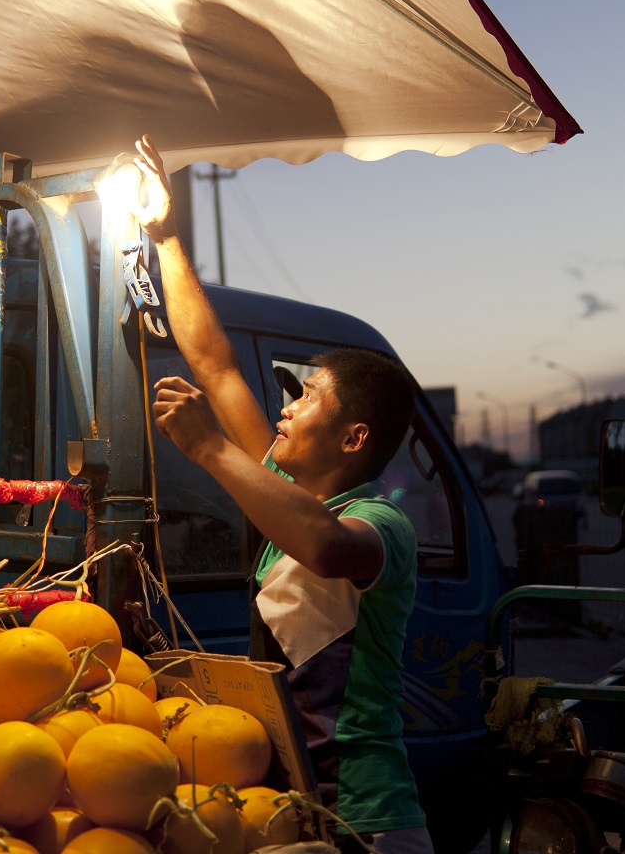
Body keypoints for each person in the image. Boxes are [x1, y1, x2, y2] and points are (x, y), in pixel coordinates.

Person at [131, 136, 432, 854]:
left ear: (354, 439)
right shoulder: (283, 493)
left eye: (309, 395)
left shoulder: (379, 524)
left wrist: (208, 447)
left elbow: (325, 548)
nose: (288, 405)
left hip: (368, 817)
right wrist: (166, 234)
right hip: (295, 800)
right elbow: (214, 362)